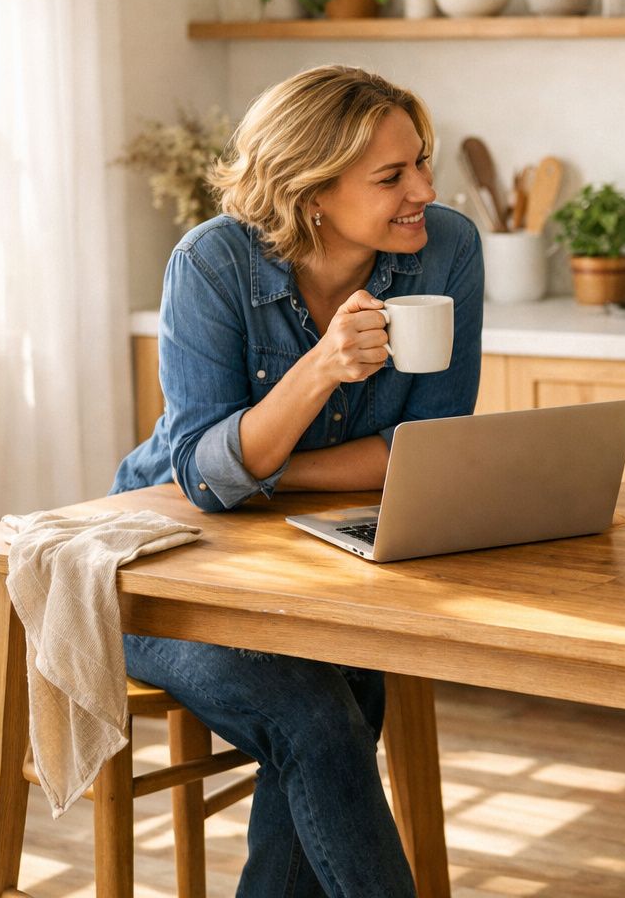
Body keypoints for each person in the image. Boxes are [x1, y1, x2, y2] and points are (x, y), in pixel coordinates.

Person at [112, 64, 483, 896]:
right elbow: (203, 476)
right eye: (392, 176)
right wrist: (319, 370)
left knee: (341, 698)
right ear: (311, 191)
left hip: (305, 563)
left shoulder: (448, 248)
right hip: (158, 569)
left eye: (422, 162)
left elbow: (429, 447)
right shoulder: (210, 264)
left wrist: (263, 476)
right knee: (319, 717)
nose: (425, 190)